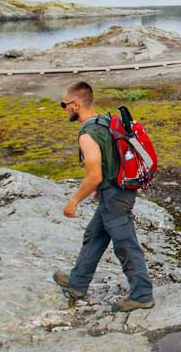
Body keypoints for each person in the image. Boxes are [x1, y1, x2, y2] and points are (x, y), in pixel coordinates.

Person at [52, 81, 154, 311]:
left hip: (115, 197)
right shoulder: (107, 121)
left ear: (75, 104)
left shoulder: (88, 134)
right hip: (119, 191)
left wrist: (74, 200)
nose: (64, 108)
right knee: (94, 235)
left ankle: (142, 294)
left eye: (64, 104)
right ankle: (78, 282)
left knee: (125, 245)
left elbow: (95, 175)